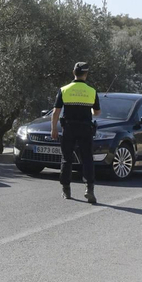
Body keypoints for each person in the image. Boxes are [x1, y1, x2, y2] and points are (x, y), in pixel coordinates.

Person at [51, 62, 100, 204]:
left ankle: (66, 190)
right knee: (87, 159)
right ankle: (89, 189)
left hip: (69, 128)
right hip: (85, 128)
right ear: (86, 74)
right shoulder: (92, 91)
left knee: (67, 158)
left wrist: (53, 128)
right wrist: (89, 111)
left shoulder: (64, 90)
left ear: (74, 72)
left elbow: (56, 112)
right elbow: (97, 112)